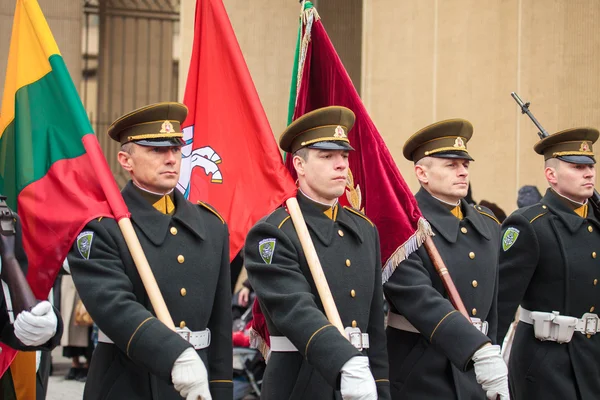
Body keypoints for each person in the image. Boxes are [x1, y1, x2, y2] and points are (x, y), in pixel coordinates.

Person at [68, 102, 232, 400]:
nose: (171, 159)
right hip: (126, 383)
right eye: (157, 150)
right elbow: (113, 307)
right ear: (125, 160)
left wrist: (221, 388)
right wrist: (175, 354)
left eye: (176, 149)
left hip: (197, 385)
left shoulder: (211, 226)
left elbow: (219, 323)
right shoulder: (102, 227)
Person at [244, 106, 390, 400]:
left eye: (344, 156)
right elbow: (294, 309)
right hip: (301, 382)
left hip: (360, 381)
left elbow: (374, 324)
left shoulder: (364, 230)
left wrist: (381, 385)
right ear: (299, 164)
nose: (341, 165)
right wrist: (345, 361)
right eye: (327, 157)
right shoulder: (274, 232)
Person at [384, 119, 509, 399]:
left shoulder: (487, 224)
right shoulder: (404, 227)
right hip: (422, 371)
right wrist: (478, 348)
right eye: (450, 165)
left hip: (476, 372)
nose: (462, 172)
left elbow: (494, 306)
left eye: (465, 164)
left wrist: (491, 352)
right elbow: (418, 299)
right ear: (422, 173)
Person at [497, 127, 600, 399]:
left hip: (593, 362)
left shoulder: (596, 223)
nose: (589, 173)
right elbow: (502, 303)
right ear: (551, 175)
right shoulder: (529, 225)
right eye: (577, 167)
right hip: (545, 367)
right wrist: (488, 362)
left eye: (590, 165)